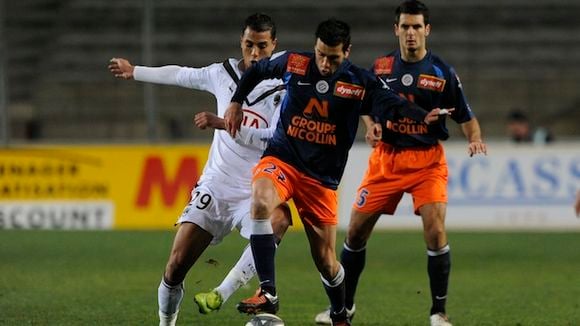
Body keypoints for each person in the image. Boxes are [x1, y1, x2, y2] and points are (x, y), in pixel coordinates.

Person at [224, 18, 445, 326]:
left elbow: (393, 104)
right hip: (284, 160)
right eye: (321, 54)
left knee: (327, 262)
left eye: (334, 57)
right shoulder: (295, 62)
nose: (325, 64)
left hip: (321, 180)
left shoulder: (359, 82)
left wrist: (424, 116)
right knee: (261, 201)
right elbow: (257, 71)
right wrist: (235, 102)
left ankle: (340, 315)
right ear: (315, 47)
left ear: (347, 52)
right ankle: (269, 291)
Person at [108, 13, 293, 326]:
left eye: (262, 46)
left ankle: (225, 291)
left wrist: (222, 123)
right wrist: (135, 71)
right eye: (249, 44)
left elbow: (275, 138)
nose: (255, 53)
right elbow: (181, 74)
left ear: (274, 45)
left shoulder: (284, 87)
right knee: (175, 266)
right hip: (216, 187)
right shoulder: (222, 73)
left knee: (279, 220)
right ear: (241, 42)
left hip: (257, 188)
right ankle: (167, 323)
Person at [314, 2, 487, 326]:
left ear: (427, 30)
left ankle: (438, 312)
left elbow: (466, 117)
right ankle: (345, 307)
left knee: (435, 231)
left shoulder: (441, 73)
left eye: (416, 27)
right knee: (354, 233)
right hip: (387, 160)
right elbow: (362, 101)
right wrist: (370, 124)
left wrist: (474, 138)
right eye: (405, 27)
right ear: (396, 30)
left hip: (427, 162)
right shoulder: (380, 68)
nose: (410, 33)